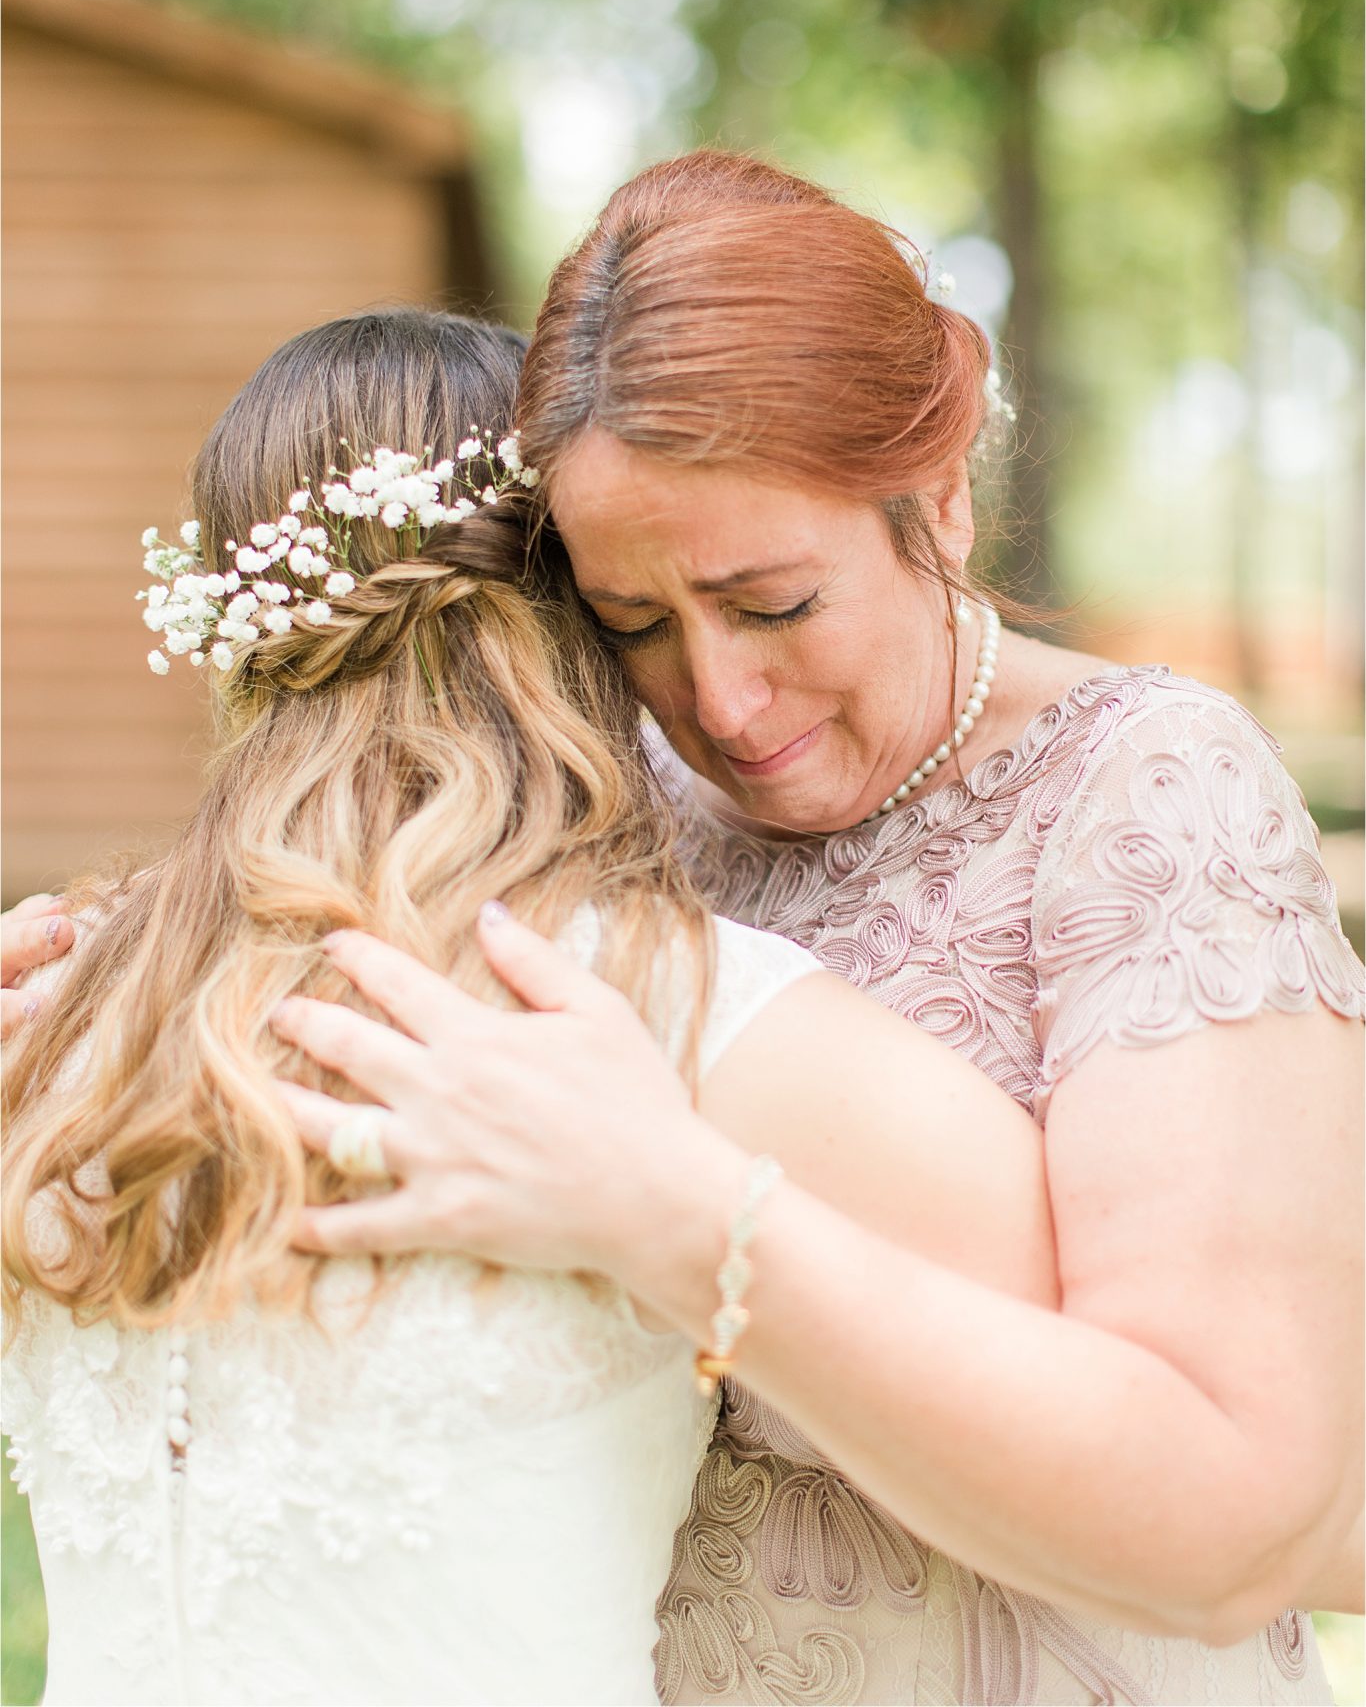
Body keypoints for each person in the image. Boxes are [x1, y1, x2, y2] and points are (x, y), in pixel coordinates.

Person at [273, 154, 1364, 1706]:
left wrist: (674, 1215)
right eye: (631, 624)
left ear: (934, 501)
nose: (717, 703)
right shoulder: (605, 802)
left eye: (774, 604)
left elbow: (1243, 1521)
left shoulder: (1144, 796)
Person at [2, 306, 1066, 1707]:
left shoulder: (71, 1022)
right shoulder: (661, 1013)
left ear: (230, 622)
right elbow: (1141, 1415)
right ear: (579, 599)